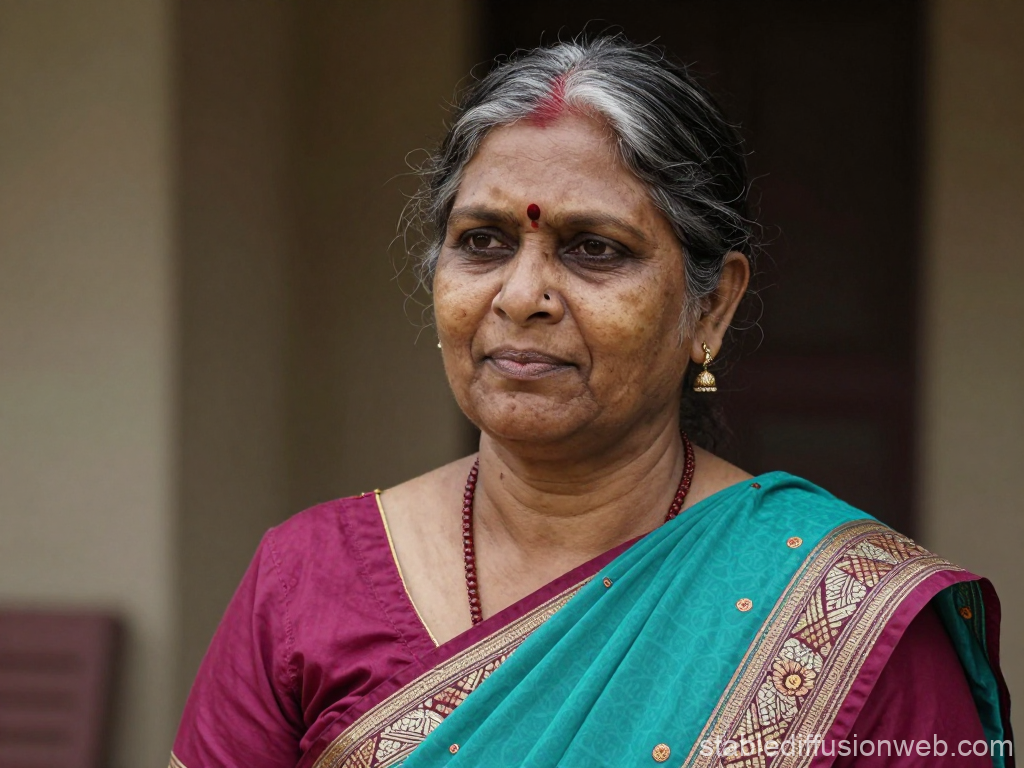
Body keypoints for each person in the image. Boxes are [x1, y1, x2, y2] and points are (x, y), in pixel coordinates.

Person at [169, 37, 1012, 768]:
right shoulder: (306, 579)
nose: (522, 294)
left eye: (594, 249)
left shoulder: (844, 613)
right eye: (483, 242)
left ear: (710, 308)